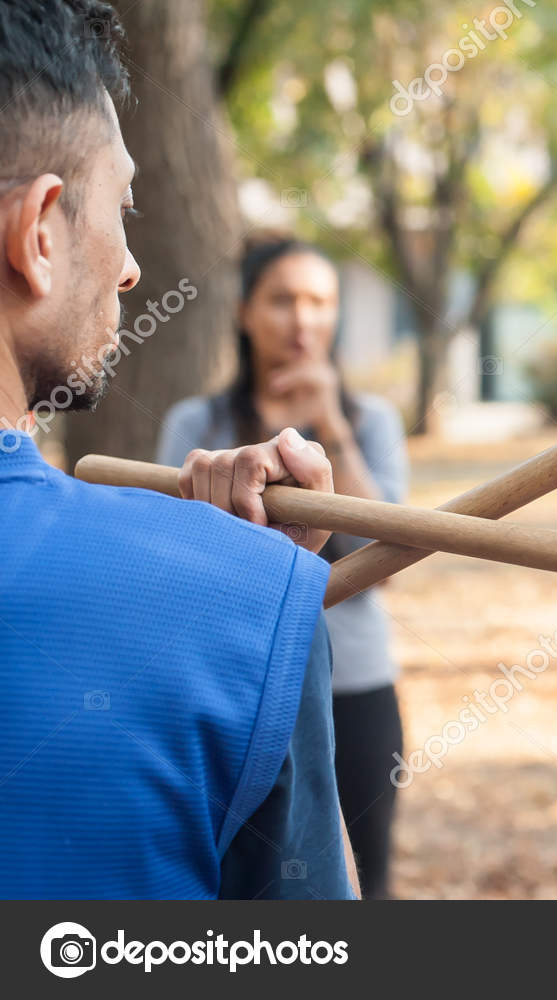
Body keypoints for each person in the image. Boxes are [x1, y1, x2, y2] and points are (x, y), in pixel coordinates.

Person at [0, 0, 354, 898]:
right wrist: (247, 604)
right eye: (121, 205)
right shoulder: (242, 597)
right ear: (39, 233)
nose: (130, 266)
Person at [157, 238, 409, 898]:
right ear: (244, 312)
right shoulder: (198, 424)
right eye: (282, 300)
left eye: (320, 302)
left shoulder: (371, 421)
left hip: (356, 683)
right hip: (229, 685)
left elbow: (385, 559)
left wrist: (330, 424)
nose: (303, 320)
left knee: (366, 878)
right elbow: (179, 566)